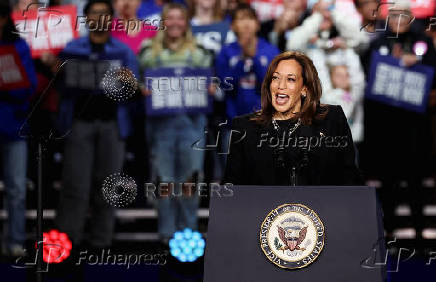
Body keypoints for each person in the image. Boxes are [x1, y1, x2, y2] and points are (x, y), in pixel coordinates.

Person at [53, 0, 139, 249]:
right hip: (79, 124)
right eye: (94, 13)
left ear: (111, 18)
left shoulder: (123, 52)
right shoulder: (70, 49)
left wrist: (129, 81)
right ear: (86, 18)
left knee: (109, 187)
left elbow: (134, 91)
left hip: (113, 126)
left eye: (104, 13)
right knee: (74, 186)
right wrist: (54, 70)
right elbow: (59, 87)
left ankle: (102, 243)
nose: (99, 17)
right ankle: (68, 244)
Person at [223, 51, 363, 186]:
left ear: (305, 89)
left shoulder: (331, 119)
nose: (280, 86)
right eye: (275, 78)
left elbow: (350, 181)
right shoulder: (245, 128)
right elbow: (232, 191)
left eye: (290, 79)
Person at [138, 2, 214, 243]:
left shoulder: (200, 51)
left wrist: (210, 88)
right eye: (169, 18)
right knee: (164, 180)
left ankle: (188, 233)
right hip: (161, 126)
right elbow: (140, 80)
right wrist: (142, 89)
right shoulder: (148, 50)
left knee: (190, 179)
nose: (174, 23)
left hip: (191, 124)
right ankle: (166, 233)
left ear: (186, 23)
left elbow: (210, 81)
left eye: (179, 18)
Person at [0, 3, 37, 257]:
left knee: (16, 189)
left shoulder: (19, 47)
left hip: (14, 128)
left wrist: (8, 85)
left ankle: (14, 240)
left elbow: (29, 88)